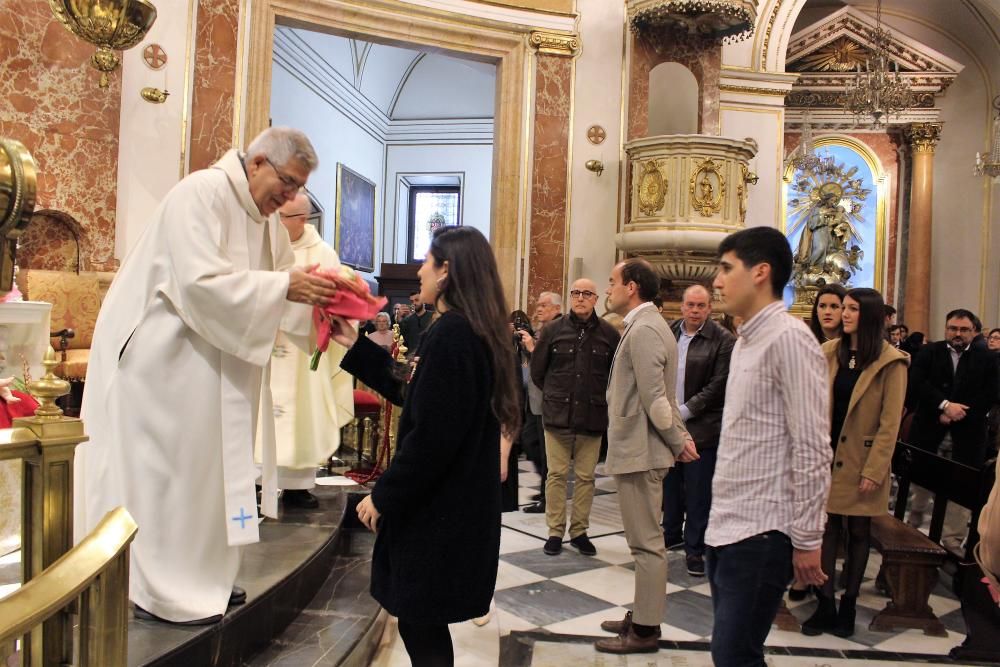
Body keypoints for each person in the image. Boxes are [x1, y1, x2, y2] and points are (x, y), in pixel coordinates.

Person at [75, 127, 339, 624]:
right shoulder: (199, 194)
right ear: (258, 161)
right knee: (167, 480)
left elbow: (283, 289)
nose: (288, 198)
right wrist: (285, 286)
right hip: (163, 370)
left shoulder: (261, 218)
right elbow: (200, 285)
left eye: (296, 190)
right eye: (286, 184)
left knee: (209, 478)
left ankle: (202, 577)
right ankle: (155, 587)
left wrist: (325, 316)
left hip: (212, 368)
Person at [328, 226, 520, 667]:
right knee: (422, 623)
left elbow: (432, 437)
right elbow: (417, 391)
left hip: (439, 513)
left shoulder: (454, 334)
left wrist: (384, 495)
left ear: (447, 270)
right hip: (453, 507)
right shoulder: (471, 329)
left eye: (427, 262)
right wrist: (356, 345)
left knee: (420, 622)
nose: (419, 271)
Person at [706, 226, 832, 667]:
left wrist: (808, 538)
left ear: (761, 272)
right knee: (730, 652)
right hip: (728, 524)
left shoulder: (789, 338)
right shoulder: (745, 340)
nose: (716, 281)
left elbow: (813, 447)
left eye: (725, 268)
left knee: (735, 655)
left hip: (762, 530)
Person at [595, 258, 697, 655]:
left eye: (612, 281)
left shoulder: (646, 329)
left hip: (641, 450)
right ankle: (641, 614)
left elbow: (657, 399)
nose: (608, 289)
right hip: (638, 446)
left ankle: (645, 630)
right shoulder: (645, 324)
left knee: (646, 545)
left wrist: (677, 439)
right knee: (644, 543)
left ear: (632, 286)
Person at [802, 288, 907, 638]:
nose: (844, 314)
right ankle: (826, 601)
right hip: (828, 457)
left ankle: (849, 603)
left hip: (863, 460)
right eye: (843, 308)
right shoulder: (829, 351)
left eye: (852, 309)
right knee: (828, 528)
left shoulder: (891, 361)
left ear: (871, 315)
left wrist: (875, 470)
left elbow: (890, 423)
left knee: (859, 531)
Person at [265, 191, 355, 509]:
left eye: (281, 216)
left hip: (304, 353)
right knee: (258, 415)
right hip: (265, 346)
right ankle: (255, 480)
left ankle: (297, 485)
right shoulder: (265, 244)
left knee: (303, 413)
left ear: (301, 219)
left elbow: (334, 300)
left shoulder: (324, 254)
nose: (274, 219)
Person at [530, 279, 620, 557]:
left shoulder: (608, 333)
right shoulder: (554, 330)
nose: (580, 298)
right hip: (558, 415)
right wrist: (557, 394)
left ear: (595, 299)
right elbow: (538, 371)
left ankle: (579, 531)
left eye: (587, 294)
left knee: (585, 477)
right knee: (556, 475)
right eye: (576, 293)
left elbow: (614, 376)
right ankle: (555, 531)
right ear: (570, 297)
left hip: (592, 416)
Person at [905, 309, 999, 547]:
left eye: (964, 329)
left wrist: (958, 414)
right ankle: (910, 533)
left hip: (967, 436)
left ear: (974, 332)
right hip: (929, 431)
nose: (958, 334)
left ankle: (952, 542)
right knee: (919, 489)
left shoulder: (988, 358)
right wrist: (944, 406)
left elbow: (990, 393)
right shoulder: (929, 352)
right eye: (953, 328)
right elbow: (917, 383)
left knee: (960, 493)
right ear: (946, 329)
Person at [662, 284, 735, 576]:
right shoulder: (670, 332)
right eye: (690, 305)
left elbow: (718, 386)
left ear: (709, 308)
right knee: (670, 487)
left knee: (698, 492)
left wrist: (684, 411)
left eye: (700, 306)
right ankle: (670, 534)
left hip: (703, 428)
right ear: (682, 307)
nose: (694, 310)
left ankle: (695, 549)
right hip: (668, 424)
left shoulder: (722, 340)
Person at [519, 291, 563, 514]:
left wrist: (532, 349)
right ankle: (547, 488)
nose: (539, 308)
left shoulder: (559, 331)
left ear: (556, 308)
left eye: (544, 305)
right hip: (534, 400)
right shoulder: (540, 330)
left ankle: (549, 498)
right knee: (530, 443)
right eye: (538, 304)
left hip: (548, 403)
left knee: (547, 453)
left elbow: (553, 365)